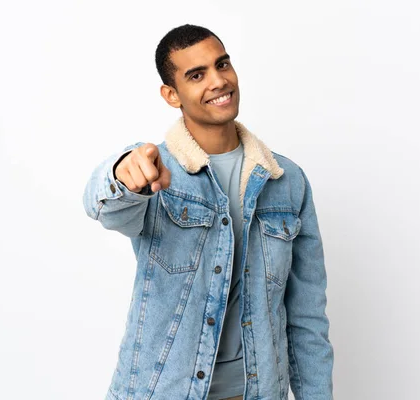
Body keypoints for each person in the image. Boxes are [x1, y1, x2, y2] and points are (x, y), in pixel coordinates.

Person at [83, 24, 334, 400]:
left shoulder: (286, 181)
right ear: (172, 94)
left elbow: (306, 317)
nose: (218, 81)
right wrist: (122, 174)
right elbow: (108, 208)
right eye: (196, 75)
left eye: (223, 65)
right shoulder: (154, 169)